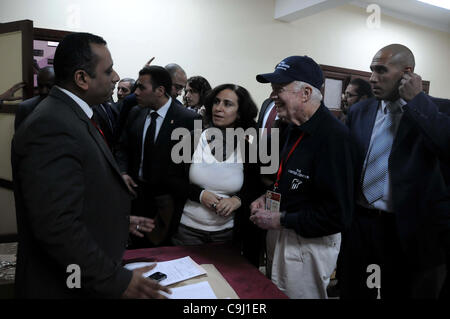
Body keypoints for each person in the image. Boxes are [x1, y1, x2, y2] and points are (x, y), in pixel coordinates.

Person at [11, 32, 170, 298]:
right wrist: (116, 280)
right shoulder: (52, 126)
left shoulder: (74, 115)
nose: (116, 77)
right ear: (82, 78)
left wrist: (117, 221)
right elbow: (57, 225)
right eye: (108, 71)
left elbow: (77, 194)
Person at [340, 44, 450, 299]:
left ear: (407, 73)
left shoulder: (438, 110)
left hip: (408, 233)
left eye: (381, 70)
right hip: (361, 225)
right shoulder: (360, 111)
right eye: (371, 70)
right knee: (355, 292)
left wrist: (417, 100)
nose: (372, 78)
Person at [250, 56, 355, 298]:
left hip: (307, 248)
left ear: (306, 93)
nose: (272, 96)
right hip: (281, 235)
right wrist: (268, 198)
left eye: (279, 89)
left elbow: (338, 216)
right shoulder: (292, 127)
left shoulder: (335, 139)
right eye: (272, 89)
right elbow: (292, 182)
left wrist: (280, 220)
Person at [170, 84, 264, 266]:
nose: (219, 108)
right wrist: (200, 195)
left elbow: (256, 186)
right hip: (187, 230)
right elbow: (171, 180)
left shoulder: (249, 146)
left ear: (240, 113)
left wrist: (237, 200)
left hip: (227, 234)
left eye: (228, 104)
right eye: (216, 102)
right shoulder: (192, 139)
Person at [115, 65, 201, 248]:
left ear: (160, 90)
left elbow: (193, 165)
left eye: (141, 87)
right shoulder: (136, 112)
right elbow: (122, 147)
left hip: (169, 202)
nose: (136, 92)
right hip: (135, 196)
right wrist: (122, 171)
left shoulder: (188, 120)